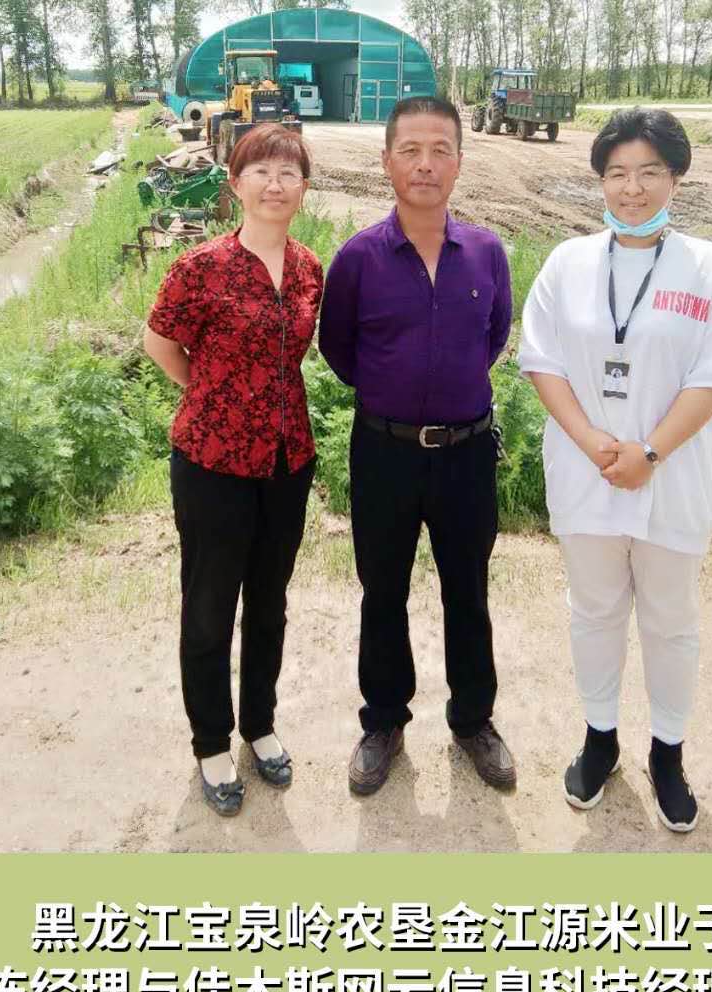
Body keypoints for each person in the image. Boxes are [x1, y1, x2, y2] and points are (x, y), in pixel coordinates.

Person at [518, 107, 712, 830]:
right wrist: (593, 441)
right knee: (593, 612)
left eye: (650, 171)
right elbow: (542, 361)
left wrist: (650, 452)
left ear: (675, 177)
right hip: (586, 471)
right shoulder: (567, 264)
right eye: (618, 173)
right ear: (600, 181)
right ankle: (599, 739)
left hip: (671, 476)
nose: (633, 188)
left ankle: (667, 753)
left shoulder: (709, 268)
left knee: (670, 620)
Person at [318, 96, 515, 796]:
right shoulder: (357, 258)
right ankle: (383, 722)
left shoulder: (486, 252)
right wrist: (394, 394)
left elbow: (494, 336)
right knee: (383, 591)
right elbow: (339, 349)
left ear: (458, 161)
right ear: (387, 162)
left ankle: (473, 720)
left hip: (466, 454)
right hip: (385, 453)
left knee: (468, 590)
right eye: (410, 150)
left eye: (439, 150)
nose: (425, 164)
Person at [143, 125, 322, 817]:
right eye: (261, 171)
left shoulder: (308, 268)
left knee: (270, 602)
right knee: (210, 605)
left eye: (288, 173)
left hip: (286, 459)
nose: (275, 184)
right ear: (235, 183)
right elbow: (159, 341)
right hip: (211, 462)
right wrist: (208, 395)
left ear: (303, 188)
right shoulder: (201, 267)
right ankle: (211, 742)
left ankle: (260, 724)